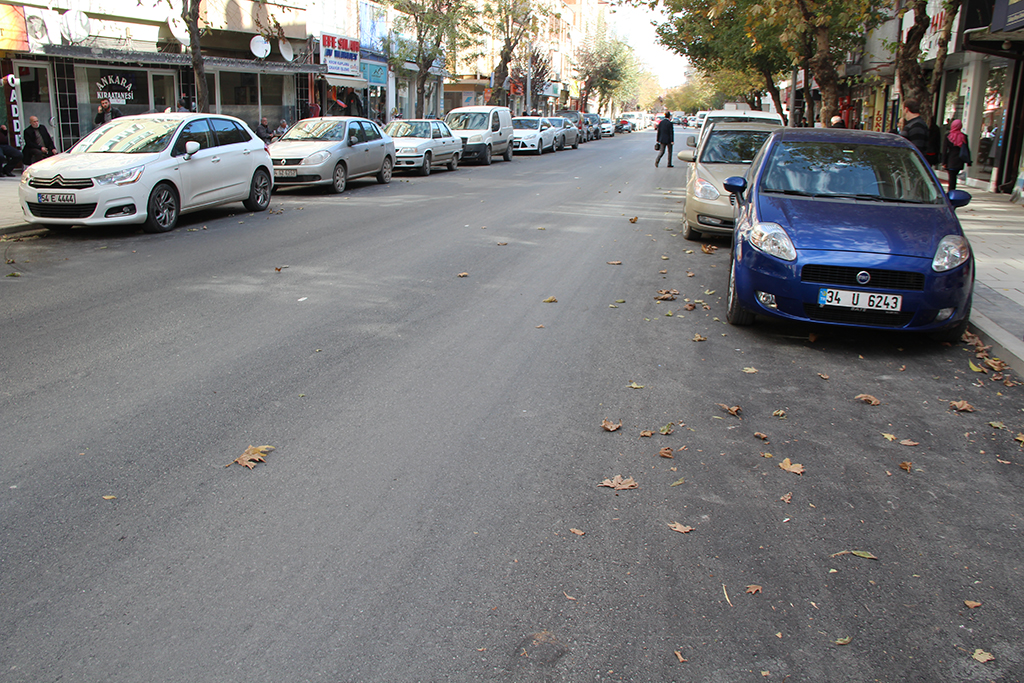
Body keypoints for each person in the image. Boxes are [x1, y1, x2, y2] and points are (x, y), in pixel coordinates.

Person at [942, 119, 971, 192]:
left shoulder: (948, 136)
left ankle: (951, 191)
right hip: (959, 160)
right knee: (954, 177)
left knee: (951, 177)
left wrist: (944, 162)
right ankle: (952, 190)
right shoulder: (963, 136)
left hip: (950, 160)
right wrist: (968, 161)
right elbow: (966, 149)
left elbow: (945, 150)